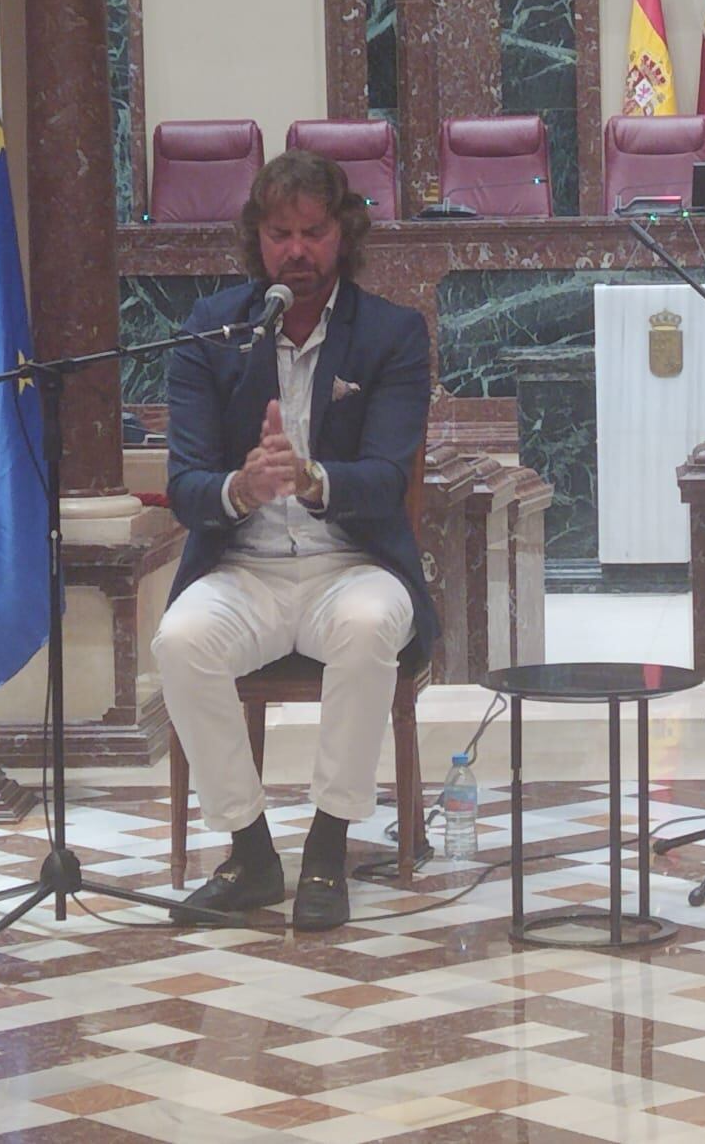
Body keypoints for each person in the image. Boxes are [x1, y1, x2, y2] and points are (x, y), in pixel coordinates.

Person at [153, 150, 435, 932]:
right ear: (257, 238)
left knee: (372, 622)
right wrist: (240, 488)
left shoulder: (391, 335)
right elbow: (184, 485)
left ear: (342, 234)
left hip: (352, 564)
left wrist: (312, 479)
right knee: (180, 640)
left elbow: (385, 478)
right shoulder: (212, 332)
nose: (298, 252)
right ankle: (249, 853)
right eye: (280, 234)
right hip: (243, 568)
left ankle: (326, 846)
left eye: (313, 232)